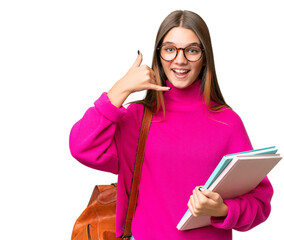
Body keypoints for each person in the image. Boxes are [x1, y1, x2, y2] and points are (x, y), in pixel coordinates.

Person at [69, 10, 273, 240]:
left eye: (192, 50)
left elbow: (260, 201)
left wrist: (223, 210)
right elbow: (82, 147)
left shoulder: (227, 122)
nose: (180, 59)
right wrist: (121, 88)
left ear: (205, 57)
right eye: (170, 49)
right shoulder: (138, 117)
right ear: (159, 55)